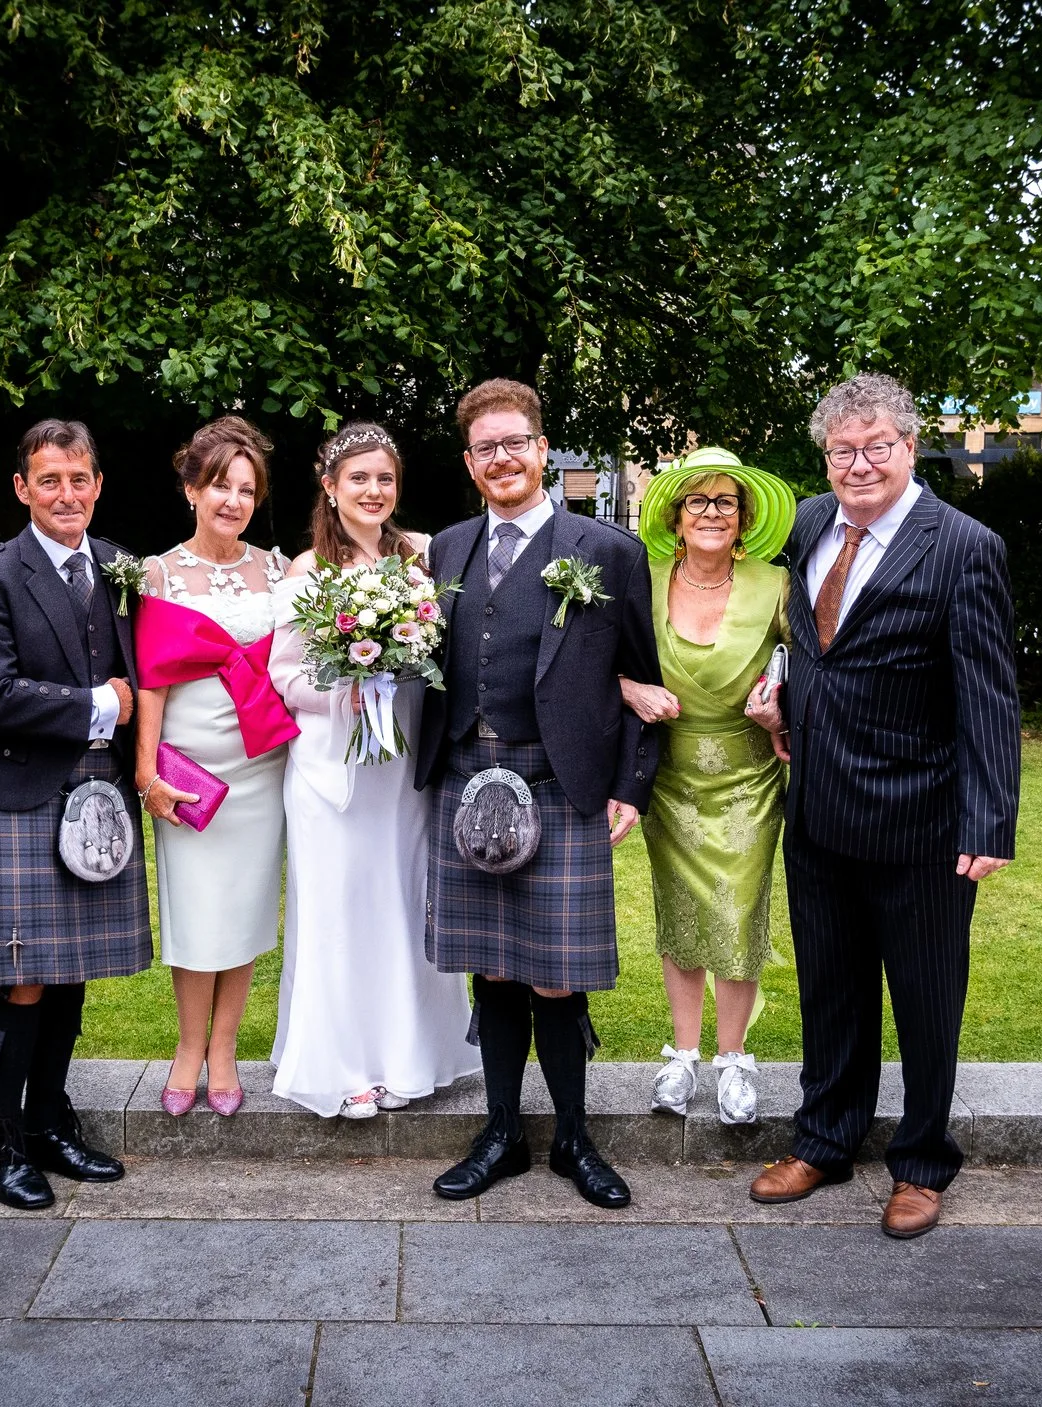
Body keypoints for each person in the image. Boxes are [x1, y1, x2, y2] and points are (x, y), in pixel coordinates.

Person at [744, 371, 1020, 1239]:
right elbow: (813, 644)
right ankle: (825, 1137)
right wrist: (780, 693)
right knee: (832, 988)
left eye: (875, 447)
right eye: (840, 451)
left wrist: (988, 820)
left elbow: (989, 696)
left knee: (927, 997)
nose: (857, 464)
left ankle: (923, 1162)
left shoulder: (964, 545)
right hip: (819, 807)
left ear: (908, 446)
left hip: (922, 820)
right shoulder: (810, 526)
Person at [416, 378, 662, 1210]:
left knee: (557, 975)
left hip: (560, 784)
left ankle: (574, 1140)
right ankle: (500, 1135)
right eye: (486, 447)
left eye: (516, 441)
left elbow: (641, 678)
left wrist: (631, 783)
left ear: (543, 448)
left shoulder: (607, 551)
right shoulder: (443, 551)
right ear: (469, 461)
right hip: (466, 778)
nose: (503, 458)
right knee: (491, 968)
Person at [0, 418, 149, 1210]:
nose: (68, 494)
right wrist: (102, 703)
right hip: (25, 795)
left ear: (97, 485)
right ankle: (3, 1142)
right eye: (50, 480)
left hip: (104, 796)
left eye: (80, 479)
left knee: (69, 973)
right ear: (23, 488)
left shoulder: (124, 569)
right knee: (24, 975)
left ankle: (51, 1120)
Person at [267, 422, 481, 1119]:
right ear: (330, 487)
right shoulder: (308, 570)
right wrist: (345, 689)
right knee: (337, 906)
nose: (373, 490)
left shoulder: (422, 556)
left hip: (406, 765)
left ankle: (412, 1056)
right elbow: (284, 676)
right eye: (358, 478)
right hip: (333, 768)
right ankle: (344, 1065)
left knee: (401, 899)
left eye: (384, 478)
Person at [617, 446, 797, 1127]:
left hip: (749, 773)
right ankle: (683, 1054)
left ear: (744, 517)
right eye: (699, 501)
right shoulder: (645, 576)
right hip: (669, 775)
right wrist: (630, 688)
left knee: (737, 908)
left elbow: (810, 670)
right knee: (682, 911)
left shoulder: (775, 585)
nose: (713, 513)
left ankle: (733, 1059)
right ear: (676, 514)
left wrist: (781, 711)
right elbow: (600, 658)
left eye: (726, 501)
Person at [133, 416, 297, 1118]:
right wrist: (146, 772)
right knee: (195, 914)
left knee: (247, 911)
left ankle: (225, 1049)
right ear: (191, 488)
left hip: (261, 769)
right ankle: (186, 1045)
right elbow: (150, 681)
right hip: (188, 772)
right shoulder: (159, 572)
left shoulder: (279, 570)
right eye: (219, 485)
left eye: (246, 489)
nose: (232, 500)